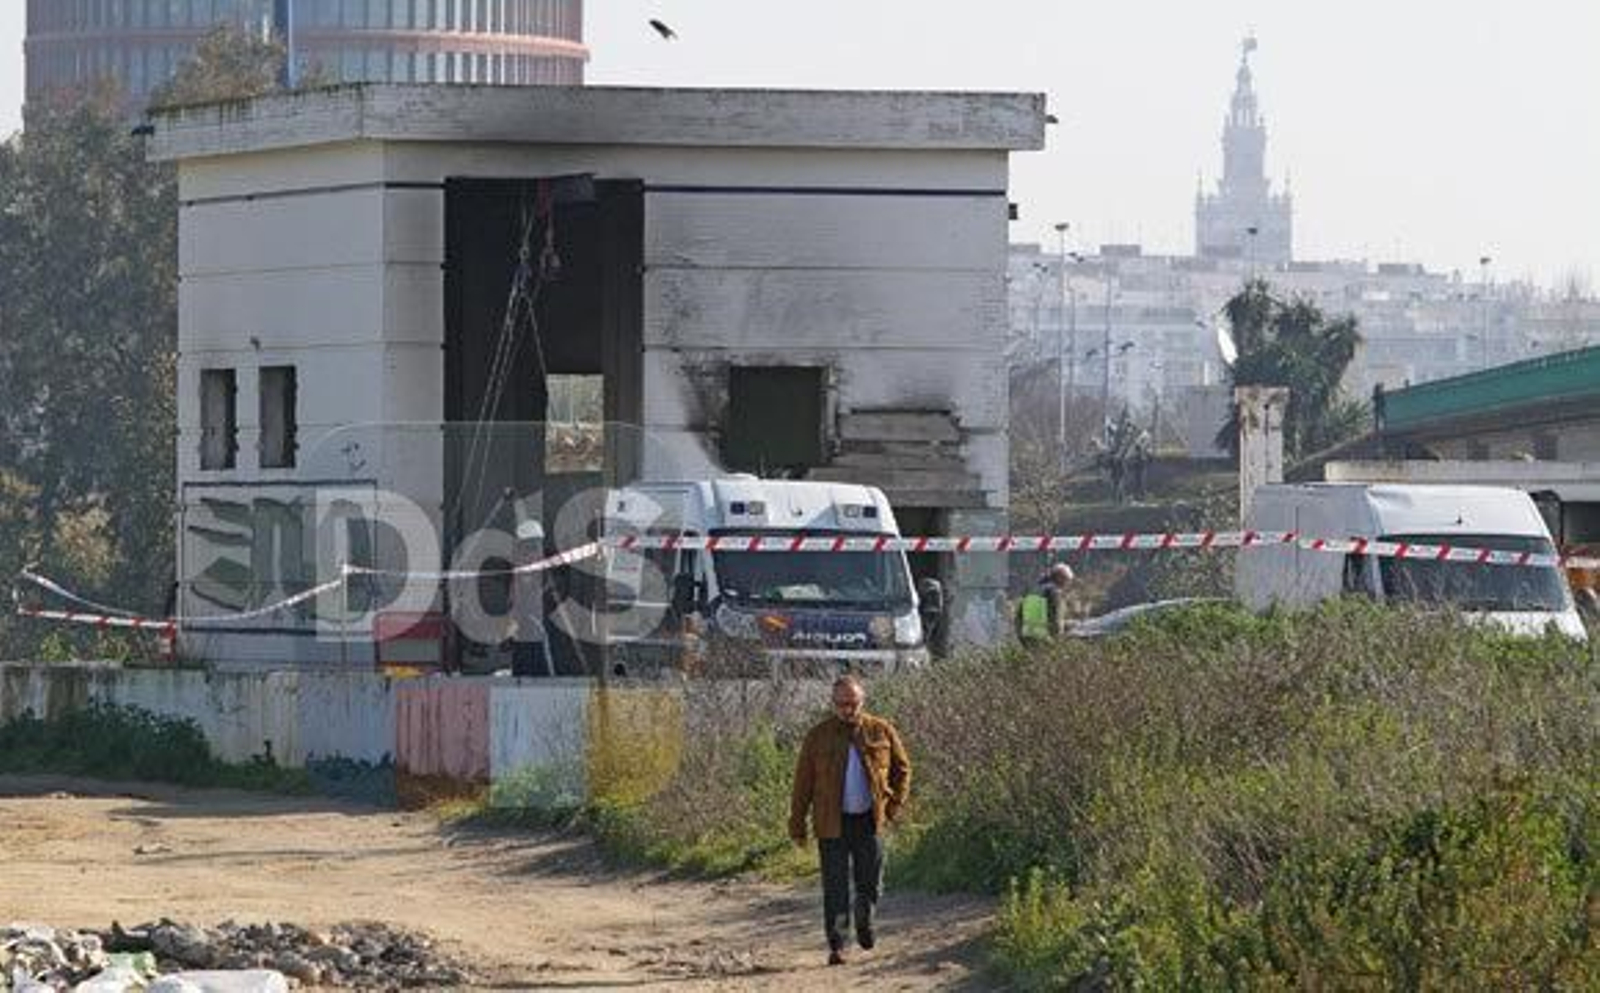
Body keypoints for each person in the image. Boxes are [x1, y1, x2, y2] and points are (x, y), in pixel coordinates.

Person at [790, 674, 912, 966]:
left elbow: (903, 769)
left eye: (853, 703)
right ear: (833, 704)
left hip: (870, 820)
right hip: (831, 822)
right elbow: (802, 783)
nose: (848, 709)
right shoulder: (818, 736)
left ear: (862, 701)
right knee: (835, 887)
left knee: (870, 881)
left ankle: (865, 919)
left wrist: (893, 806)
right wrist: (797, 823)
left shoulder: (881, 730)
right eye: (842, 704)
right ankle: (839, 944)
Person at [1015, 562, 1074, 645]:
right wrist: (1058, 639)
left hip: (1026, 636)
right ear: (1060, 577)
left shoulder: (1032, 589)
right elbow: (1055, 617)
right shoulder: (1053, 592)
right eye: (1067, 580)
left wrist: (1020, 634)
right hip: (1044, 638)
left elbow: (1019, 615)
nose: (1066, 585)